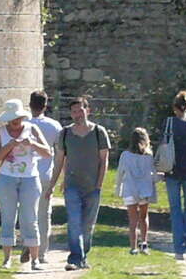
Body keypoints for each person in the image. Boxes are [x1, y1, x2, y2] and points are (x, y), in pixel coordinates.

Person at [0, 98, 55, 271]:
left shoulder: (32, 128)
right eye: (12, 118)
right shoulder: (0, 132)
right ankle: (6, 259)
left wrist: (32, 143)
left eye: (17, 118)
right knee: (8, 217)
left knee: (30, 218)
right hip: (6, 178)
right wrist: (9, 146)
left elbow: (48, 153)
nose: (15, 122)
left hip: (30, 178)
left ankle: (35, 260)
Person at [53, 95, 112, 271]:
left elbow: (104, 160)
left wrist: (99, 184)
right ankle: (75, 258)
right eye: (73, 111)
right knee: (74, 221)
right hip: (72, 185)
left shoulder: (98, 132)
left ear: (88, 110)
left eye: (80, 110)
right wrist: (53, 185)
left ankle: (83, 255)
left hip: (93, 186)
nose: (77, 114)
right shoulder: (65, 133)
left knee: (87, 225)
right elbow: (60, 161)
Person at [162, 90, 186, 260]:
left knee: (175, 209)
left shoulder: (169, 123)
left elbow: (162, 144)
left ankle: (178, 248)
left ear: (175, 107)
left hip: (171, 169)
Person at [30, 91, 65, 263]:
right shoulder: (54, 126)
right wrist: (63, 176)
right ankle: (42, 252)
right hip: (45, 174)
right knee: (44, 214)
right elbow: (61, 153)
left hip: (25, 173)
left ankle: (29, 245)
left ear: (29, 105)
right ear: (45, 106)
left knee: (27, 212)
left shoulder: (23, 124)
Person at [117, 127, 159, 255]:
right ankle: (144, 243)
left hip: (130, 189)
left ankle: (133, 247)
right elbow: (153, 174)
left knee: (133, 219)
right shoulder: (148, 156)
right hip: (144, 189)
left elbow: (120, 173)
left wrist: (118, 187)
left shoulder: (125, 155)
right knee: (144, 216)